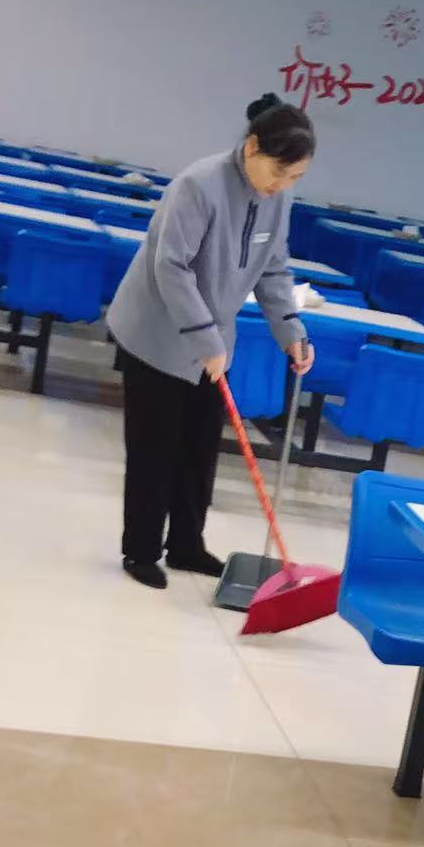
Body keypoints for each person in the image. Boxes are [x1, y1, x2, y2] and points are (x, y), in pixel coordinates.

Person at [107, 93, 317, 589]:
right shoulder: (199, 185)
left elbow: (274, 269)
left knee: (199, 447)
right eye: (279, 172)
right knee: (155, 447)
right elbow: (171, 267)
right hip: (157, 333)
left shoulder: (277, 199)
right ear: (252, 148)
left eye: (295, 177)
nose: (283, 185)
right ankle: (141, 551)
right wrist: (204, 338)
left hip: (214, 341)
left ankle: (186, 545)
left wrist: (291, 331)